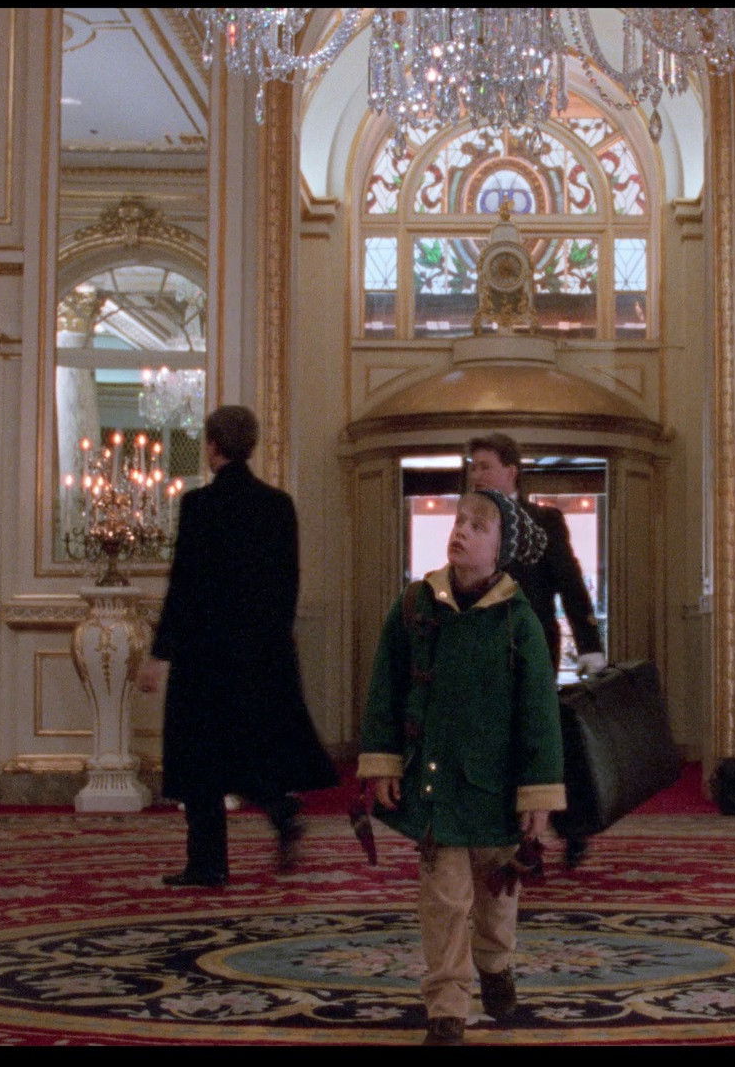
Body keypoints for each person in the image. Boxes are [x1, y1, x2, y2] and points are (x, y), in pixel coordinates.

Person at [358, 488, 565, 1045]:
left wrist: (539, 795)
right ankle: (447, 1006)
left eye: (478, 526)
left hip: (498, 792)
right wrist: (383, 761)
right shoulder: (415, 604)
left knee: (496, 898)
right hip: (437, 786)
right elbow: (385, 688)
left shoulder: (519, 620)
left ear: (502, 548)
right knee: (444, 901)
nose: (462, 531)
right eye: (459, 521)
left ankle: (495, 966)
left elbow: (540, 715)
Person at [137, 405, 338, 888]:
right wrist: (274, 642)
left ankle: (207, 863)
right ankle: (282, 812)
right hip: (262, 653)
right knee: (253, 747)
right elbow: (287, 584)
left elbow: (185, 586)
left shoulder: (199, 505)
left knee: (201, 760)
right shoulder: (278, 505)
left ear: (212, 446)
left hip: (204, 656)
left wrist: (160, 653)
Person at [465, 433, 606, 678]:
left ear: (511, 472)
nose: (476, 476)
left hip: (532, 648)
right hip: (479, 652)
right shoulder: (468, 525)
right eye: (473, 468)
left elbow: (570, 583)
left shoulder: (543, 521)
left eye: (485, 467)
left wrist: (589, 646)